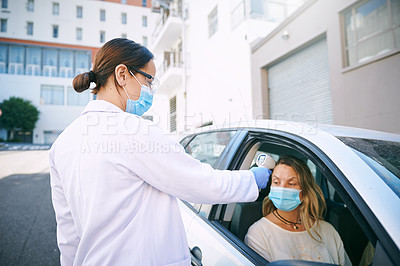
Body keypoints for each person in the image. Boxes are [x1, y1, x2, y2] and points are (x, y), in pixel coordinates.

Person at [49, 38, 271, 266]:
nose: (151, 90)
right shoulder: (135, 130)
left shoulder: (63, 143)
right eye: (148, 80)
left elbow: (67, 233)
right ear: (122, 74)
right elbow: (200, 183)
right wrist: (252, 179)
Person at [245, 156, 352, 266]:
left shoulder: (328, 231)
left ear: (305, 190)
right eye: (276, 182)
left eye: (291, 183)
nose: (282, 188)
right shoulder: (258, 233)